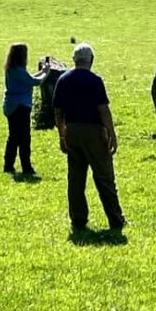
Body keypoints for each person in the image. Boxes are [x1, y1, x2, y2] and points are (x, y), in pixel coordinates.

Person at [53, 43, 126, 232]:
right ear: (91, 60)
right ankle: (116, 219)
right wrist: (111, 133)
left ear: (74, 60)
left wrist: (62, 136)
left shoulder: (63, 80)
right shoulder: (95, 80)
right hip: (93, 132)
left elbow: (58, 112)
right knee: (104, 176)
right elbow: (103, 110)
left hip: (72, 131)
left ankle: (78, 219)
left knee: (75, 178)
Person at [2, 43, 50, 175]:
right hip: (20, 106)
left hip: (11, 105)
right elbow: (35, 81)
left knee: (13, 137)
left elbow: (29, 78)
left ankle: (8, 165)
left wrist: (42, 72)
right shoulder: (18, 70)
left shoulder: (12, 69)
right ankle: (26, 167)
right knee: (24, 138)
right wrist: (46, 72)